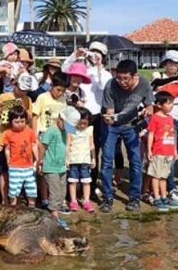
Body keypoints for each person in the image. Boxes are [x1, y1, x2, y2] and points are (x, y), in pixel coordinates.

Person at [100, 59, 154, 213]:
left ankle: (135, 196)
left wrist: (147, 112)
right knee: (106, 160)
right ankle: (107, 197)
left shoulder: (144, 83)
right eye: (119, 78)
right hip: (111, 125)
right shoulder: (110, 85)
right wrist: (109, 119)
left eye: (125, 78)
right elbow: (109, 112)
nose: (121, 82)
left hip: (131, 126)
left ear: (134, 76)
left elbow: (150, 106)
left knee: (135, 161)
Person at [60, 42, 112, 183]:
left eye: (98, 53)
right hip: (76, 114)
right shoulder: (81, 69)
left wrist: (99, 66)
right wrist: (76, 55)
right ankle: (72, 183)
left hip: (95, 116)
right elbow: (64, 70)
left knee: (92, 149)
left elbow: (103, 86)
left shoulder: (105, 73)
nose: (94, 55)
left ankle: (91, 182)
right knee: (72, 147)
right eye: (93, 51)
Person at [0, 72, 37, 204]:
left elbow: (29, 120)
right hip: (4, 139)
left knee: (19, 173)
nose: (22, 93)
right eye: (21, 89)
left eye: (25, 90)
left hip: (22, 141)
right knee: (4, 172)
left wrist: (24, 110)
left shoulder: (27, 100)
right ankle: (5, 199)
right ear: (14, 84)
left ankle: (17, 200)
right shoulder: (3, 97)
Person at [146, 93, 178, 212]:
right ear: (159, 104)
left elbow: (172, 135)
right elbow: (151, 134)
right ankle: (156, 197)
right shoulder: (155, 117)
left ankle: (164, 196)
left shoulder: (170, 118)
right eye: (168, 103)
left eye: (172, 103)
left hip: (168, 152)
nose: (171, 106)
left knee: (164, 176)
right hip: (158, 151)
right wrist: (149, 150)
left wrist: (174, 150)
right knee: (156, 175)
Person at [1, 105, 38, 207]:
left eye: (22, 121)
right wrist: (8, 160)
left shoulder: (30, 132)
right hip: (14, 166)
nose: (20, 124)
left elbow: (34, 145)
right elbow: (7, 149)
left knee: (31, 188)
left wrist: (37, 159)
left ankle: (32, 206)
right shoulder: (8, 133)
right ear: (11, 122)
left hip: (28, 166)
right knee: (13, 189)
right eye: (16, 122)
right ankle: (13, 206)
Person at [39, 107, 69, 217]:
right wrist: (40, 161)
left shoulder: (64, 131)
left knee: (62, 193)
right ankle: (54, 217)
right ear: (60, 119)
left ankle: (56, 213)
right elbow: (42, 147)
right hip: (51, 168)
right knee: (55, 193)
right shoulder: (51, 130)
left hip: (62, 167)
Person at [67, 107, 96, 213]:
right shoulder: (70, 129)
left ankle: (86, 201)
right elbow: (68, 144)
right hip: (73, 159)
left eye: (85, 123)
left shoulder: (89, 129)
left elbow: (92, 145)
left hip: (85, 160)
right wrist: (66, 159)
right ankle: (73, 201)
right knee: (73, 181)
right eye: (80, 123)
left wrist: (93, 158)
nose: (83, 125)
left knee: (86, 181)